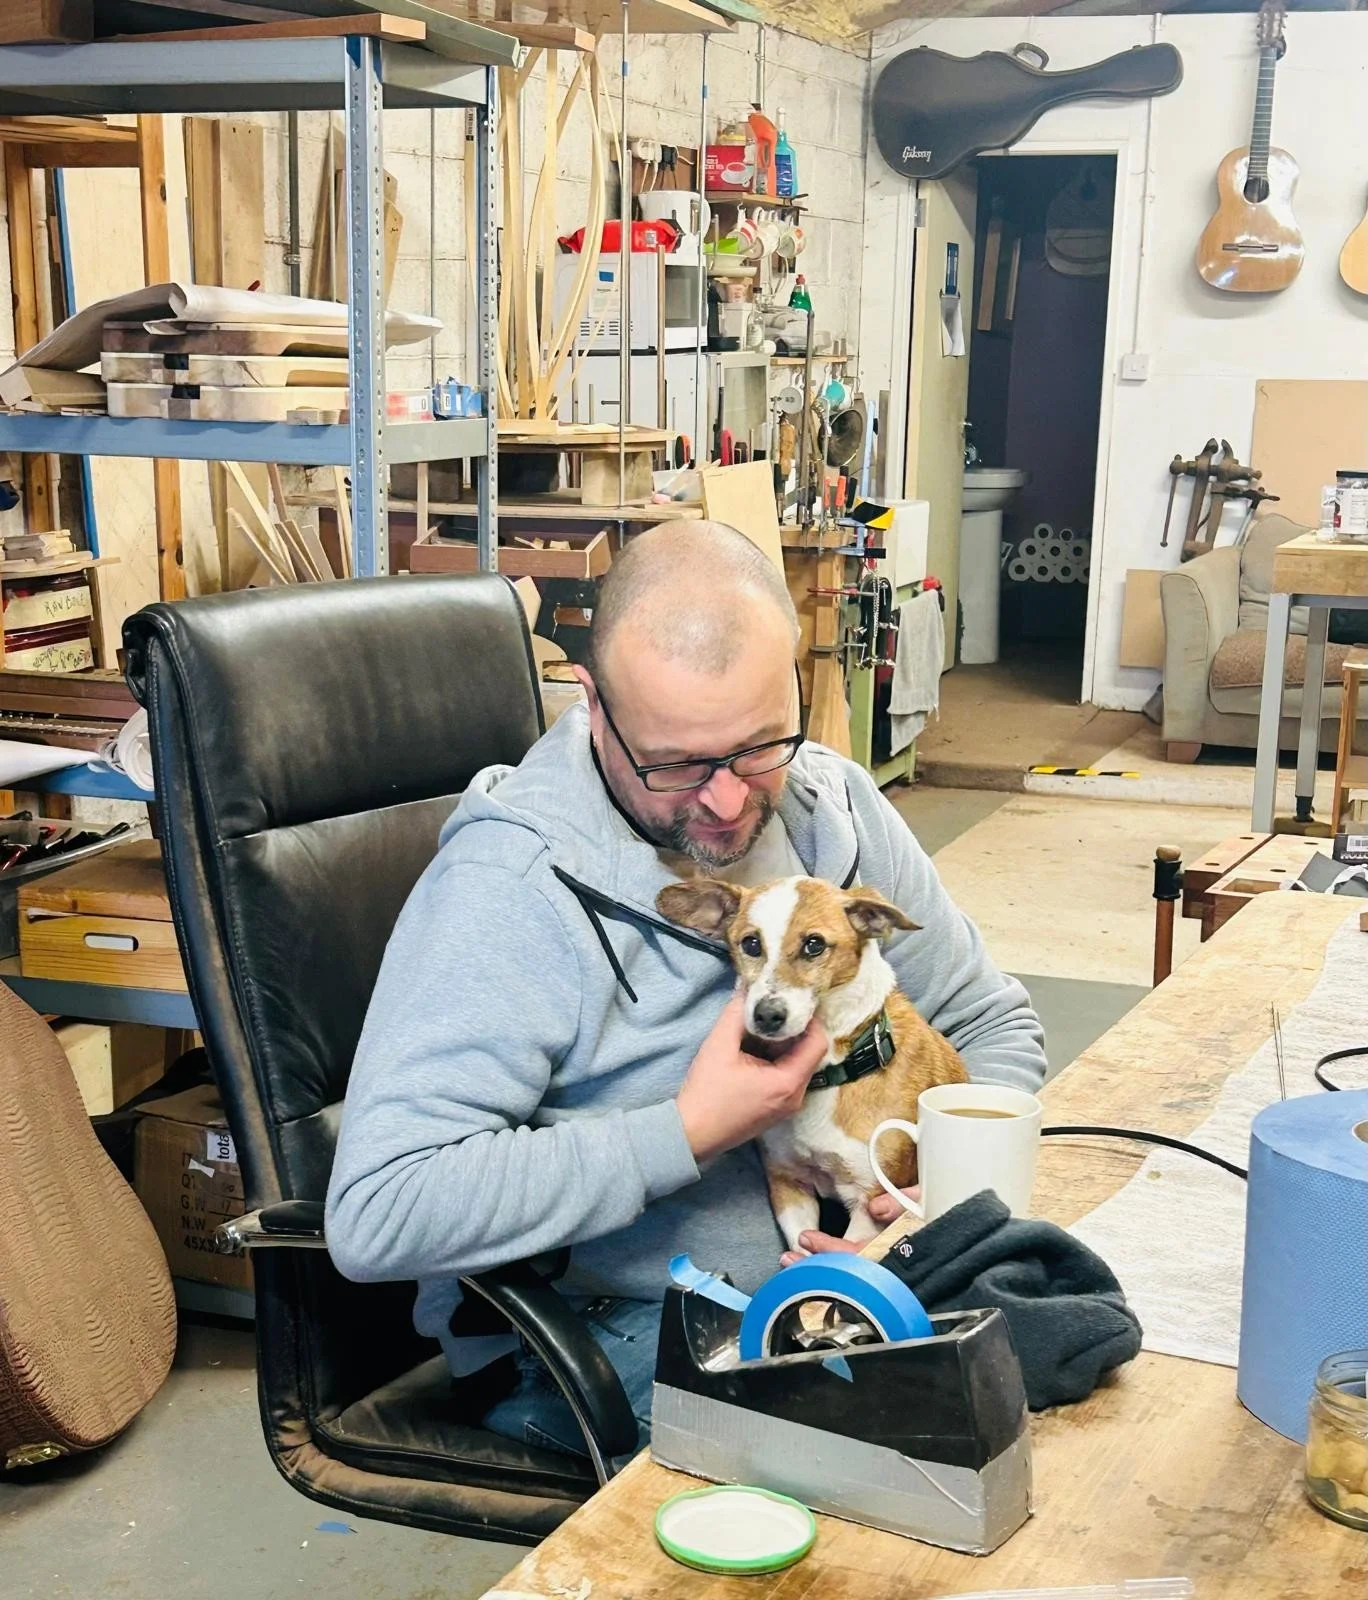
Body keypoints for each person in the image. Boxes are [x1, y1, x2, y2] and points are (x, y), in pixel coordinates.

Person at [327, 521, 1046, 1460]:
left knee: (1079, 1368)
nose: (726, 801)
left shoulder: (832, 810)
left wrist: (926, 1213)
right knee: (921, 1457)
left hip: (858, 1278)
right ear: (592, 705)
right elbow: (380, 1210)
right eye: (675, 764)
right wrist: (689, 1129)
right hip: (606, 1330)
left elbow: (988, 1023)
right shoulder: (507, 891)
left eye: (757, 746)